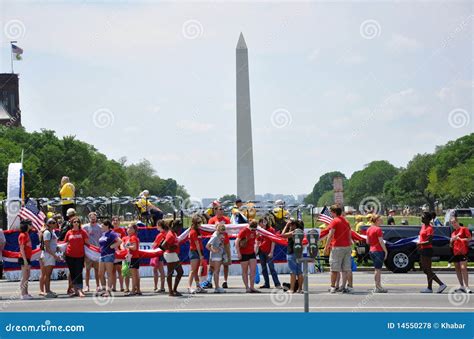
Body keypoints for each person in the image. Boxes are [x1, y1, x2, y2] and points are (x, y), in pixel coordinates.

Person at [324, 205, 352, 294]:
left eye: (331, 212)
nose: (330, 213)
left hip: (337, 247)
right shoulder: (346, 221)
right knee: (347, 269)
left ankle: (333, 287)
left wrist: (326, 246)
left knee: (334, 269)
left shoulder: (334, 221)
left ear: (334, 212)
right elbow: (349, 235)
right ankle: (348, 286)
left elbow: (330, 234)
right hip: (347, 246)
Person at [417, 211, 447, 293]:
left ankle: (441, 284)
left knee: (428, 269)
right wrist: (420, 244)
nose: (421, 218)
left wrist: (420, 243)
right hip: (422, 249)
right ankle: (429, 288)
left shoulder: (430, 228)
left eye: (423, 217)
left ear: (428, 219)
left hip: (427, 250)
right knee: (425, 269)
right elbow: (421, 238)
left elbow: (429, 242)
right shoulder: (423, 226)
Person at [206, 206, 231, 289]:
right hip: (215, 244)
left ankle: (225, 281)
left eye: (222, 209)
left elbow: (230, 230)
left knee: (226, 263)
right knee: (212, 264)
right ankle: (209, 281)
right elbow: (208, 231)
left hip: (225, 243)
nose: (221, 211)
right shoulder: (212, 220)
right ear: (215, 211)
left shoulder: (227, 219)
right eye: (219, 209)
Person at [64, 216, 90, 297]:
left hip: (80, 256)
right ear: (72, 223)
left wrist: (90, 254)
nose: (76, 223)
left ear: (79, 223)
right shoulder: (69, 232)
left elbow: (87, 244)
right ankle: (75, 290)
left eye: (77, 222)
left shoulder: (83, 232)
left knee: (79, 272)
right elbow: (65, 243)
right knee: (72, 273)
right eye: (74, 222)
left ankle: (80, 290)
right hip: (69, 256)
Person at [235, 220, 260, 293]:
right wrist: (238, 253)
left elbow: (255, 240)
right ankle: (247, 287)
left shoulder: (255, 231)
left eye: (254, 229)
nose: (253, 230)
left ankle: (252, 287)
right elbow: (237, 242)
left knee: (253, 270)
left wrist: (255, 248)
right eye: (252, 229)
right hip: (244, 253)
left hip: (251, 252)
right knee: (245, 271)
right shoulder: (244, 230)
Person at [256, 217, 281, 289]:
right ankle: (266, 283)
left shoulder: (271, 230)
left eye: (264, 222)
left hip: (268, 251)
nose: (262, 223)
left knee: (271, 268)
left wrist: (271, 251)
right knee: (264, 269)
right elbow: (257, 241)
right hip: (261, 251)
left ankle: (277, 283)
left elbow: (273, 241)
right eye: (261, 222)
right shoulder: (260, 231)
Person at [366, 215, 388, 293]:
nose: (381, 221)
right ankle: (378, 286)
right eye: (380, 219)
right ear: (376, 220)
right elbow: (381, 241)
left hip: (372, 250)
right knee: (378, 270)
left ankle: (378, 286)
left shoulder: (369, 229)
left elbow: (367, 242)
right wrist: (385, 251)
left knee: (376, 269)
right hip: (378, 251)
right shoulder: (378, 229)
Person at [40, 218, 61, 298]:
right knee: (47, 274)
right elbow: (47, 247)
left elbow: (52, 244)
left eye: (54, 222)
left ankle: (48, 290)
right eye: (51, 222)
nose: (54, 223)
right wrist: (55, 256)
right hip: (48, 255)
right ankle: (47, 291)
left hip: (50, 254)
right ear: (48, 224)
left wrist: (57, 248)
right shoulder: (47, 233)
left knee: (48, 274)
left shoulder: (52, 232)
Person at [161, 220, 183, 296]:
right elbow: (163, 245)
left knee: (180, 272)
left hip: (173, 255)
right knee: (170, 273)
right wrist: (171, 247)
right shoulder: (170, 235)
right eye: (179, 227)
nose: (180, 229)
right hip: (170, 254)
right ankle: (171, 291)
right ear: (175, 227)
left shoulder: (174, 233)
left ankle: (174, 290)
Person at [449, 218, 471, 293]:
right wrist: (452, 240)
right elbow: (451, 245)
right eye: (452, 223)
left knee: (463, 268)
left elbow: (469, 238)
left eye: (455, 222)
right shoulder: (453, 233)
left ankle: (467, 287)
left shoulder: (464, 229)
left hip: (463, 252)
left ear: (457, 222)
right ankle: (461, 286)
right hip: (455, 253)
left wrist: (461, 239)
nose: (454, 224)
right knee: (457, 269)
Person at [281, 220, 303, 293]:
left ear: (295, 225)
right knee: (299, 272)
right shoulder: (300, 232)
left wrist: (286, 225)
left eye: (291, 225)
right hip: (299, 253)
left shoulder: (294, 232)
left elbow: (282, 235)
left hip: (291, 253)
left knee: (292, 272)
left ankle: (292, 289)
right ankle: (300, 289)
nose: (290, 226)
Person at [82, 212, 102, 292]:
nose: (93, 219)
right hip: (88, 251)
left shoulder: (100, 227)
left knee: (97, 270)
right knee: (87, 269)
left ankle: (98, 285)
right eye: (91, 218)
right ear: (89, 218)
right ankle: (87, 286)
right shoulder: (85, 227)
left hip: (97, 251)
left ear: (96, 218)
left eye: (94, 218)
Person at [206, 222, 227, 293]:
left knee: (216, 271)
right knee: (216, 271)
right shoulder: (215, 236)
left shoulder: (220, 235)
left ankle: (217, 286)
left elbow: (221, 245)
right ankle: (217, 287)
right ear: (218, 230)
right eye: (222, 232)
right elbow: (207, 245)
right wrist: (214, 250)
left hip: (218, 255)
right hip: (216, 256)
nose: (223, 234)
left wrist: (223, 253)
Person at [188, 216, 206, 294]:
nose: (200, 224)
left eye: (200, 222)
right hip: (194, 251)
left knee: (195, 271)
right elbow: (197, 244)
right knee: (193, 270)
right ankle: (189, 287)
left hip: (196, 251)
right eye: (198, 223)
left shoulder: (197, 231)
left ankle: (198, 286)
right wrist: (200, 255)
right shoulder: (193, 232)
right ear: (195, 223)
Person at [150, 220, 168, 293]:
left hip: (157, 253)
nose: (156, 226)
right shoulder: (166, 233)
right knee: (161, 270)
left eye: (157, 225)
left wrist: (153, 244)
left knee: (156, 270)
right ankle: (162, 287)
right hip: (162, 252)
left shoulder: (160, 234)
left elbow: (155, 244)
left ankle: (156, 287)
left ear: (160, 226)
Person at [124, 223, 142, 296]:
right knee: (136, 275)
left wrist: (127, 246)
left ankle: (133, 290)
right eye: (128, 228)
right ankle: (138, 290)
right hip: (133, 257)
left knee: (134, 275)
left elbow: (134, 247)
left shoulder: (133, 237)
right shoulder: (132, 237)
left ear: (134, 230)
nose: (129, 229)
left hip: (133, 257)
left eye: (131, 228)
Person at [18, 219, 33, 300]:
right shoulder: (22, 235)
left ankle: (26, 293)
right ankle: (23, 294)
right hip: (24, 258)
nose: (31, 225)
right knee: (25, 276)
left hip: (28, 257)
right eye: (30, 224)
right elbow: (21, 248)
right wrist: (25, 260)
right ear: (26, 225)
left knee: (27, 276)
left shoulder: (27, 234)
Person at [111, 216, 126, 292]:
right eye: (114, 220)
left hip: (119, 253)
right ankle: (113, 287)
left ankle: (122, 287)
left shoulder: (122, 231)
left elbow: (123, 240)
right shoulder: (110, 230)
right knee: (112, 271)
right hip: (111, 253)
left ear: (119, 222)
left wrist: (119, 248)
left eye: (117, 220)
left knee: (119, 270)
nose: (115, 222)